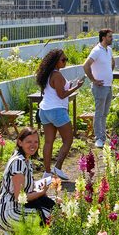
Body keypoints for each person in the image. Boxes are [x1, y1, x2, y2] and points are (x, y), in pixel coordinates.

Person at [0, 127, 56, 232]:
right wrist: (41, 192)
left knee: (57, 202)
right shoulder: (18, 162)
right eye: (29, 142)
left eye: (36, 142)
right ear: (20, 142)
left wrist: (41, 186)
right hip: (11, 211)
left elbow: (26, 187)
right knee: (52, 215)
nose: (33, 145)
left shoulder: (26, 160)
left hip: (18, 207)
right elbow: (19, 197)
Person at [36, 48, 84, 180]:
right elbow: (61, 95)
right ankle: (57, 167)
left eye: (66, 59)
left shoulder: (47, 74)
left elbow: (55, 91)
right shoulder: (57, 75)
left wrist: (69, 85)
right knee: (68, 140)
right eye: (63, 59)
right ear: (55, 61)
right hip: (57, 111)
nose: (65, 61)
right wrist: (76, 87)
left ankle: (47, 172)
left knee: (48, 142)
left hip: (44, 111)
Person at [83, 28, 115, 149]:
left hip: (108, 85)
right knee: (99, 113)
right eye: (110, 36)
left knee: (105, 113)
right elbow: (85, 65)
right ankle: (99, 138)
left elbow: (112, 62)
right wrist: (93, 80)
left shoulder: (109, 50)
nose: (111, 38)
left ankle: (103, 136)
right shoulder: (96, 50)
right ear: (103, 37)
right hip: (100, 87)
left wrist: (108, 74)